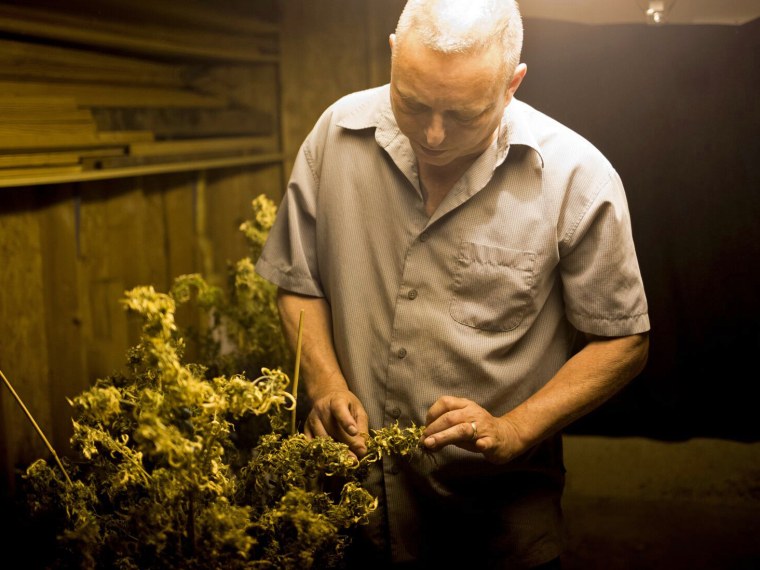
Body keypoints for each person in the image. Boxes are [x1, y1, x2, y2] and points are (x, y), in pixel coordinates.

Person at [255, 0, 650, 567]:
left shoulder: (577, 179)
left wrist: (516, 427)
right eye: (413, 104)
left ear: (513, 83)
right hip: (344, 516)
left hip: (493, 526)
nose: (434, 135)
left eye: (464, 115)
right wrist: (324, 385)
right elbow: (298, 282)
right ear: (394, 54)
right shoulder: (335, 134)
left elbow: (623, 342)